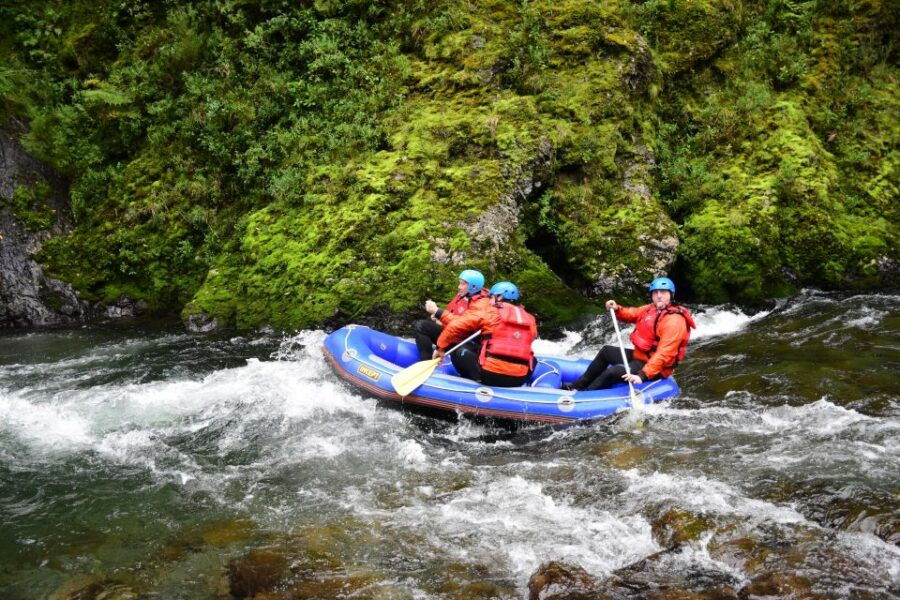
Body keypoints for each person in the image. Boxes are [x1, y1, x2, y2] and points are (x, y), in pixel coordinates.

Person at [570, 277, 696, 391]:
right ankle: (577, 386)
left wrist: (643, 375)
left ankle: (585, 395)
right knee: (606, 351)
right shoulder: (651, 309)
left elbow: (665, 353)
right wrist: (618, 309)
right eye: (655, 292)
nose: (659, 296)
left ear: (671, 295)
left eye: (663, 292)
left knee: (613, 372)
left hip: (655, 367)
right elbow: (632, 313)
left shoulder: (674, 321)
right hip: (640, 357)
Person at [434, 281, 538, 387]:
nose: (490, 301)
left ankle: (473, 383)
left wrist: (440, 348)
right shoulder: (530, 319)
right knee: (533, 359)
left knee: (459, 349)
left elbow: (455, 326)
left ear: (500, 297)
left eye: (491, 297)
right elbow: (531, 337)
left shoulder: (489, 312)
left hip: (490, 376)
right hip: (518, 379)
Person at [413, 269, 487, 360]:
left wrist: (437, 311)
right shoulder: (462, 295)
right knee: (422, 326)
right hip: (450, 335)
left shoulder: (482, 305)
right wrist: (439, 319)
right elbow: (450, 317)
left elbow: (461, 326)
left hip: (465, 342)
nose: (459, 287)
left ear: (474, 287)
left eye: (463, 284)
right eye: (459, 283)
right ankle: (425, 361)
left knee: (461, 351)